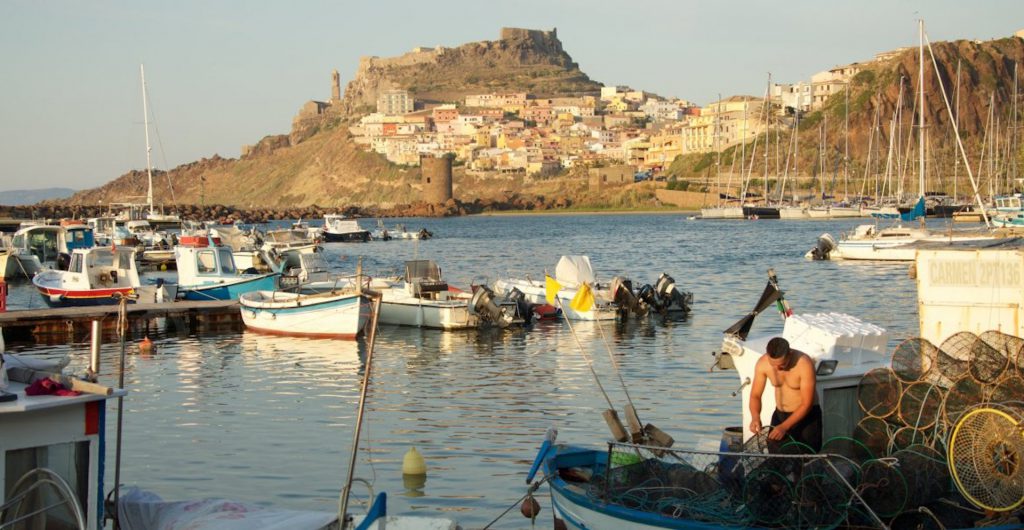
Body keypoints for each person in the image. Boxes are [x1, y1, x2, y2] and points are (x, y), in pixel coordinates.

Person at [748, 337, 822, 452]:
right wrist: (755, 416)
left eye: (782, 364)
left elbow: (807, 404)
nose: (777, 368)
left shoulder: (804, 363)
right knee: (776, 457)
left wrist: (784, 427)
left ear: (790, 354)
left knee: (806, 458)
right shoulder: (762, 363)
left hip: (806, 416)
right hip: (780, 415)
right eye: (773, 364)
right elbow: (755, 395)